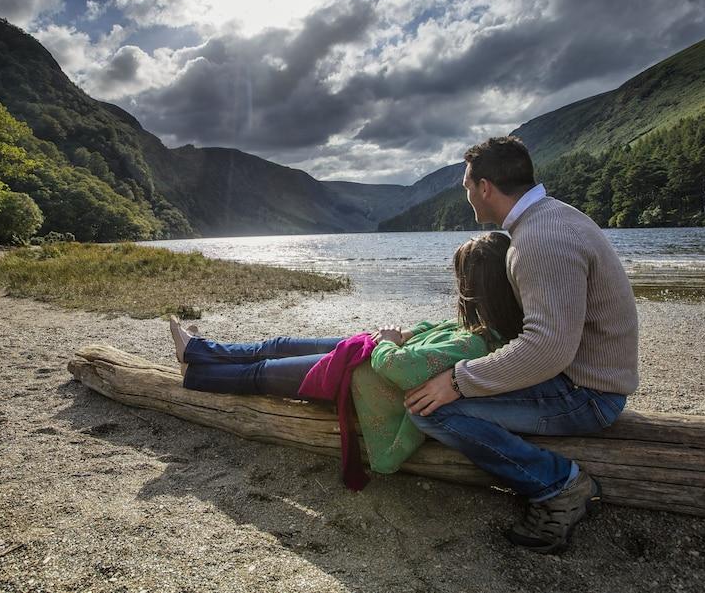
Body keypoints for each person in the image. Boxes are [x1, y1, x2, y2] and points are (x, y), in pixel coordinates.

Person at [403, 136, 638, 554]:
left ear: (485, 187)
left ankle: (559, 486)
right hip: (584, 376)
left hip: (587, 393)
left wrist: (457, 381)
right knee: (439, 397)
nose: (468, 196)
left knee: (432, 410)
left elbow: (547, 348)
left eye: (467, 187)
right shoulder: (549, 219)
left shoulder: (540, 239)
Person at [169, 232, 524, 477]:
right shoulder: (479, 327)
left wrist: (387, 340)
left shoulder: (477, 344)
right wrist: (408, 332)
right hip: (361, 357)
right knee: (278, 344)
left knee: (265, 371)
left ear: (473, 287)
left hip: (357, 381)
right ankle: (198, 350)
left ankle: (195, 374)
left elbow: (398, 368)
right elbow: (440, 324)